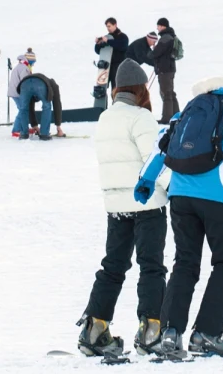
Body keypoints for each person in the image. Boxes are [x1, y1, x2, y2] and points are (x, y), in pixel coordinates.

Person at [135, 74, 223, 359]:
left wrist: (147, 179)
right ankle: (207, 334)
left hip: (181, 194)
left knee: (185, 262)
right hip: (220, 198)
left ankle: (170, 333)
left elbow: (164, 141)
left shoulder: (198, 103)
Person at [79, 59, 169, 356]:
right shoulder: (141, 117)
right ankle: (151, 331)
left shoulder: (105, 118)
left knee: (113, 265)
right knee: (151, 266)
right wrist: (174, 189)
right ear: (141, 88)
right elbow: (154, 160)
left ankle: (94, 329)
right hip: (147, 203)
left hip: (116, 203)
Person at [15, 69, 64, 140]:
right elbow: (57, 105)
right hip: (39, 83)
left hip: (24, 83)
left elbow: (30, 106)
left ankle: (24, 134)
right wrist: (58, 126)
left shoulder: (49, 83)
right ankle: (44, 134)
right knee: (47, 106)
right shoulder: (53, 85)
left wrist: (34, 125)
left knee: (23, 108)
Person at [151, 19, 179, 124]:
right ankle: (176, 115)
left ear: (163, 26)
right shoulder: (171, 36)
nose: (157, 28)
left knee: (166, 93)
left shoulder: (165, 38)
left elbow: (156, 53)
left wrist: (152, 51)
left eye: (158, 26)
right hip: (170, 68)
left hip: (165, 70)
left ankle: (167, 118)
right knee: (170, 93)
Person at [7, 48, 38, 136]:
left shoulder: (22, 66)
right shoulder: (24, 68)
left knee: (23, 110)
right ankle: (16, 130)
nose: (34, 64)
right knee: (23, 110)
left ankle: (23, 128)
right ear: (29, 60)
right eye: (33, 62)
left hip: (16, 92)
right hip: (17, 93)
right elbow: (25, 82)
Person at [96, 18, 130, 88]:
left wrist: (108, 41)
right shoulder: (106, 37)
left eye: (109, 26)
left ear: (115, 25)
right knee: (101, 87)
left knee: (116, 88)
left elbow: (123, 47)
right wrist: (98, 44)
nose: (108, 28)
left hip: (118, 66)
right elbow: (98, 51)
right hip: (107, 66)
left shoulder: (123, 36)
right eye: (107, 27)